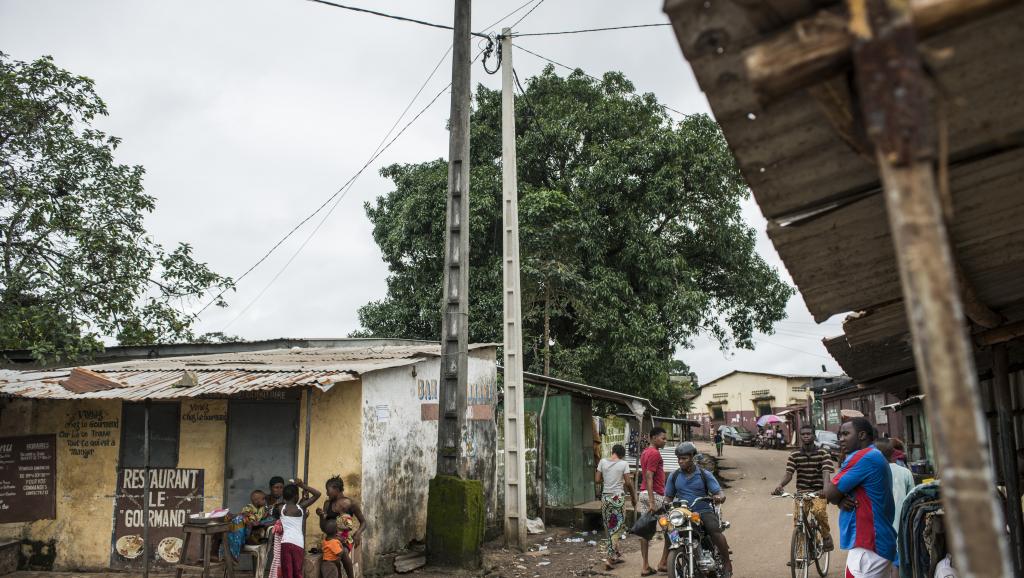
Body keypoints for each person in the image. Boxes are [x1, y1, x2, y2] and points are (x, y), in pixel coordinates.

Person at [823, 418, 897, 578]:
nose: (841, 439)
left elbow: (829, 493)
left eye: (846, 434)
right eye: (839, 435)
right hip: (876, 543)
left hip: (869, 545)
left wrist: (828, 477)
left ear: (862, 435)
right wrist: (840, 500)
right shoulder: (874, 455)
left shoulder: (863, 457)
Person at [666, 442, 733, 578]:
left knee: (714, 530)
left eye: (684, 458)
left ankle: (727, 563)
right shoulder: (674, 476)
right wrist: (665, 504)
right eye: (679, 458)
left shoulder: (704, 474)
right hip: (683, 513)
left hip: (703, 510)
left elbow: (719, 492)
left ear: (692, 457)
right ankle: (675, 557)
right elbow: (668, 496)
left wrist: (719, 497)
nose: (680, 461)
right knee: (669, 530)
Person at [772, 424, 835, 552]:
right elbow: (789, 474)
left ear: (814, 436)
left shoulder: (823, 453)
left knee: (818, 511)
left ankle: (826, 535)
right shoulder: (794, 455)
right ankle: (800, 555)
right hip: (802, 492)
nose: (806, 436)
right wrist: (780, 485)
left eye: (808, 434)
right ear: (800, 436)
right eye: (803, 434)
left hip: (819, 492)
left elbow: (826, 473)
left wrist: (825, 490)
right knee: (799, 521)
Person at [596, 444, 636, 570]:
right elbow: (628, 483)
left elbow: (597, 479)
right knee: (616, 528)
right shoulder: (624, 464)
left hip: (605, 498)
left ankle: (616, 555)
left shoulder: (602, 462)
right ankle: (609, 559)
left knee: (610, 527)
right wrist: (633, 497)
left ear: (612, 452)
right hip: (617, 498)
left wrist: (607, 479)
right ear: (622, 455)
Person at [316, 476, 366, 578]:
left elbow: (364, 522)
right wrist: (321, 517)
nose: (327, 493)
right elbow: (323, 528)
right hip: (330, 539)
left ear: (336, 489)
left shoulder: (351, 503)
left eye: (328, 490)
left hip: (344, 539)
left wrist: (358, 533)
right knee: (331, 558)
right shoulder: (327, 504)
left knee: (342, 552)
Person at [638, 427, 668, 576]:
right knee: (671, 530)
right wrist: (652, 502)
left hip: (643, 494)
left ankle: (645, 566)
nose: (665, 441)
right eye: (663, 438)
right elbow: (649, 476)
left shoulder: (645, 452)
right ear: (654, 437)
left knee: (645, 533)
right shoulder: (655, 453)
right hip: (655, 496)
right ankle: (663, 563)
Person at [277, 479, 321, 578]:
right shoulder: (300, 508)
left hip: (285, 542)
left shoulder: (281, 508)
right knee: (297, 571)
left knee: (287, 572)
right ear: (296, 497)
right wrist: (302, 485)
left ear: (284, 497)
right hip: (298, 544)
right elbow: (317, 494)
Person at [875, 439, 915, 533]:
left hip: (879, 530)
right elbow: (912, 499)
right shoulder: (905, 472)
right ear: (893, 454)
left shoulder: (871, 472)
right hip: (902, 527)